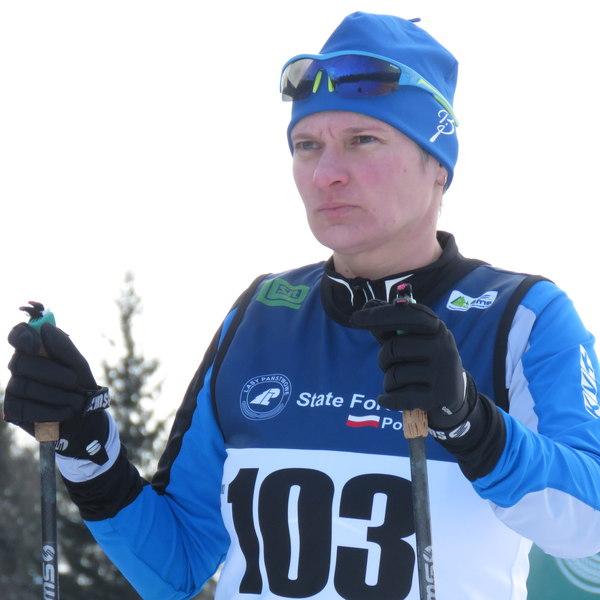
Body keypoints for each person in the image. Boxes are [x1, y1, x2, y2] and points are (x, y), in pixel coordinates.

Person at [4, 11, 600, 600]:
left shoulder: (522, 316)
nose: (326, 174)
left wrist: (471, 422)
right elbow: (177, 567)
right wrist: (87, 448)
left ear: (438, 164)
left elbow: (588, 520)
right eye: (306, 146)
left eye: (362, 140)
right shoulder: (261, 315)